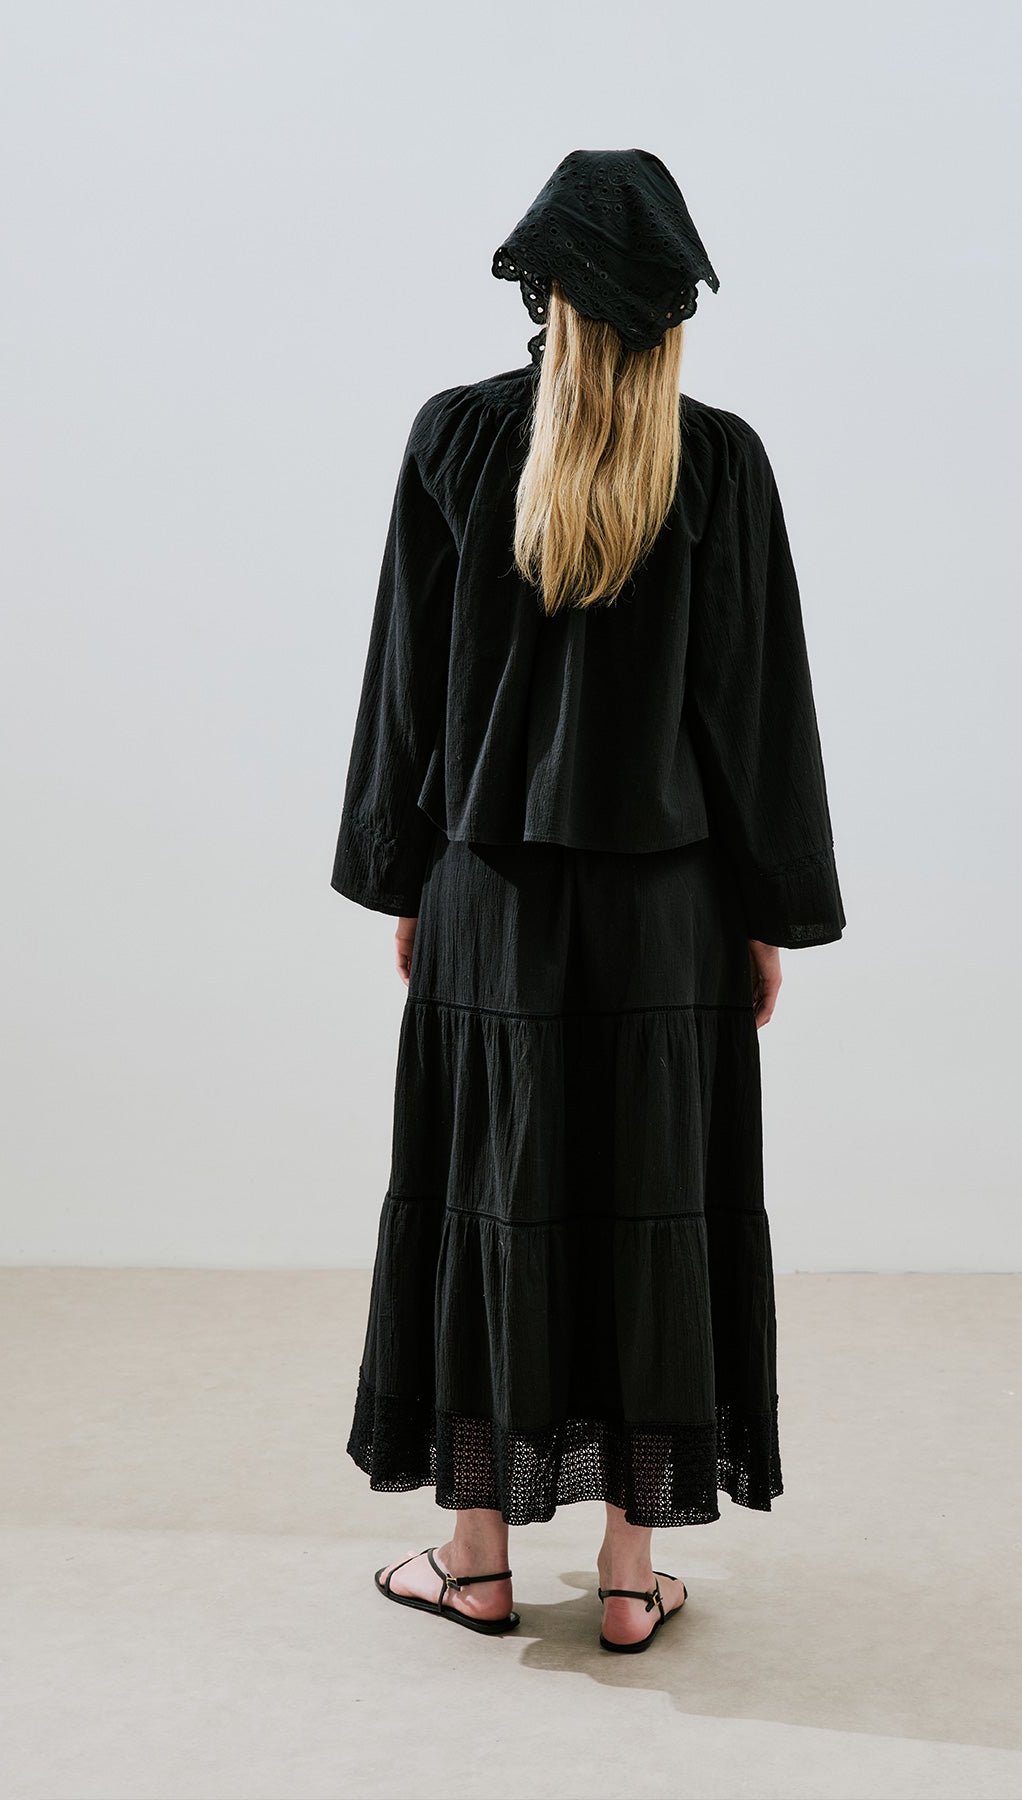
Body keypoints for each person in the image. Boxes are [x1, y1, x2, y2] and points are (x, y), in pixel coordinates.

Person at [330, 148, 846, 1653]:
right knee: (653, 1205)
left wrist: (405, 876)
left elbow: (406, 689)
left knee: (488, 1202)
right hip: (668, 907)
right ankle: (630, 1575)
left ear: (538, 291)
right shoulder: (721, 461)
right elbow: (759, 708)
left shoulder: (454, 438)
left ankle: (477, 1558)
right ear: (677, 307)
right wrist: (768, 908)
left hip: (487, 894)